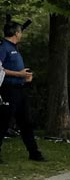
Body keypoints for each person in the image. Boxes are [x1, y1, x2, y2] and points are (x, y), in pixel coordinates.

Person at [0, 21, 45, 163]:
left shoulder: (15, 48)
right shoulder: (3, 47)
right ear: (16, 33)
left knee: (26, 122)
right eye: (20, 32)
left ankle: (34, 152)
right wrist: (18, 74)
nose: (21, 34)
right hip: (8, 90)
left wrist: (25, 77)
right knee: (2, 122)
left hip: (20, 89)